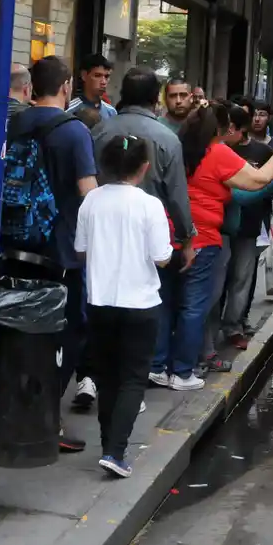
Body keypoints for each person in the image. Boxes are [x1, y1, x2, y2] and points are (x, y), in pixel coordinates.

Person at [81, 68, 195, 413]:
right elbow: (177, 194)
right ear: (155, 98)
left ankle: (96, 377)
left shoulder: (98, 131)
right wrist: (187, 237)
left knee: (100, 310)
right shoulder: (165, 138)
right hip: (147, 238)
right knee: (142, 314)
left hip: (101, 234)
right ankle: (131, 385)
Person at [155, 104, 273, 390]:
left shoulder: (176, 147)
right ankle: (182, 372)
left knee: (166, 304)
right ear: (218, 129)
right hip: (202, 238)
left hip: (167, 236)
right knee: (194, 307)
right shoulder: (217, 152)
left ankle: (157, 366)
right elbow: (258, 180)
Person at [7, 56, 99, 451]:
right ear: (65, 87)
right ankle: (45, 419)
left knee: (17, 331)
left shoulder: (13, 123)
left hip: (15, 240)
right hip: (60, 247)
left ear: (30, 89)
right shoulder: (74, 131)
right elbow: (89, 194)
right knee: (68, 332)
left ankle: (12, 415)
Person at [75, 134, 172, 479]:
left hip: (100, 301)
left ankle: (107, 446)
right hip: (140, 303)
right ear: (144, 168)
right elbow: (162, 257)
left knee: (108, 377)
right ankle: (116, 451)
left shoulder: (91, 201)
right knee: (133, 378)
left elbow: (81, 250)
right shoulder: (149, 205)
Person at [216, 105, 273, 351]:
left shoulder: (264, 152)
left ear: (239, 129)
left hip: (250, 224)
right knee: (218, 280)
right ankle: (213, 328)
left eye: (230, 126)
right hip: (220, 225)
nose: (226, 130)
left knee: (241, 279)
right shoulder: (219, 149)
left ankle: (233, 326)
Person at [67, 53, 118, 120]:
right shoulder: (69, 110)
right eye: (97, 75)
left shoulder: (112, 112)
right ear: (84, 75)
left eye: (106, 77)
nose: (103, 82)